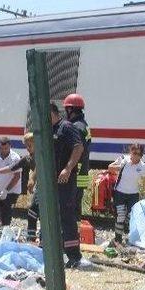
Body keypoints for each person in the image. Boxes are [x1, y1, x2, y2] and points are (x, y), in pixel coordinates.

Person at [51, 102, 84, 267]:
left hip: (65, 180)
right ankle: (54, 249)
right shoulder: (50, 129)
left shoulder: (66, 127)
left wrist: (68, 168)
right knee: (51, 214)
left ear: (52, 113)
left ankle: (73, 256)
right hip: (51, 182)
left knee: (66, 216)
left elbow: (78, 148)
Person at [0, 133, 38, 241]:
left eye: (29, 146)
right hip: (36, 187)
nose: (27, 148)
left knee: (33, 210)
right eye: (26, 146)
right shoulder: (27, 158)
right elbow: (11, 168)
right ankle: (31, 237)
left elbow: (39, 167)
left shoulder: (41, 156)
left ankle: (36, 237)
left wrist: (32, 179)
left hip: (44, 188)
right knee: (32, 211)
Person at [108, 143, 145, 244]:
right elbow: (110, 167)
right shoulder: (123, 159)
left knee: (131, 216)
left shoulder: (142, 166)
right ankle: (118, 239)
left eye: (139, 154)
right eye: (134, 153)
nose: (136, 156)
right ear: (130, 152)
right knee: (121, 216)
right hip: (120, 193)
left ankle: (128, 234)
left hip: (133, 195)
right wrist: (122, 166)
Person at [63, 93, 91, 218]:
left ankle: (72, 232)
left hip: (75, 171)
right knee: (76, 203)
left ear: (70, 110)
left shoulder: (75, 127)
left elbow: (74, 150)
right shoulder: (84, 125)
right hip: (82, 170)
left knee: (70, 204)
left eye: (66, 109)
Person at [0, 137, 21, 228]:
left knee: (6, 209)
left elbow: (17, 176)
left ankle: (5, 229)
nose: (3, 151)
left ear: (10, 146)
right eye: (1, 148)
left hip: (12, 189)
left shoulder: (15, 157)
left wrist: (6, 190)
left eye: (6, 148)